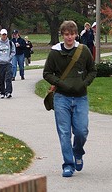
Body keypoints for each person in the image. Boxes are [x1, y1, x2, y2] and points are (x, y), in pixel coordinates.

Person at [43, 20, 96, 178]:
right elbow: (47, 73)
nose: (69, 37)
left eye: (72, 34)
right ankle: (68, 164)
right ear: (62, 35)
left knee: (81, 131)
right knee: (64, 132)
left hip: (80, 97)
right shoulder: (55, 53)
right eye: (66, 34)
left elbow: (92, 70)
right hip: (62, 98)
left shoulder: (83, 50)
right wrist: (60, 83)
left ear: (76, 34)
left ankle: (78, 152)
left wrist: (84, 83)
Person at [0, 29, 16, 98]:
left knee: (8, 78)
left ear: (7, 35)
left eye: (5, 34)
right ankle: (2, 92)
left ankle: (8, 92)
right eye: (3, 35)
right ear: (0, 35)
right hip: (0, 63)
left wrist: (9, 58)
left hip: (8, 63)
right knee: (1, 78)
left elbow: (13, 52)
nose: (4, 36)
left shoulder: (10, 43)